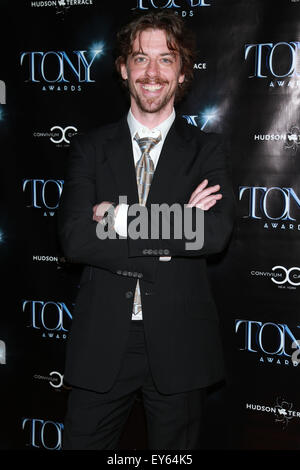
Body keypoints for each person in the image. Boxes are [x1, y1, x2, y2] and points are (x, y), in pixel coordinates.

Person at [58, 10, 235, 450]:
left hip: (181, 340)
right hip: (102, 340)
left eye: (166, 60)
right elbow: (76, 238)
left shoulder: (207, 150)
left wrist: (116, 219)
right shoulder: (90, 148)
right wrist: (178, 220)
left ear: (181, 73)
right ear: (123, 68)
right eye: (140, 59)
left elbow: (212, 234)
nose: (152, 72)